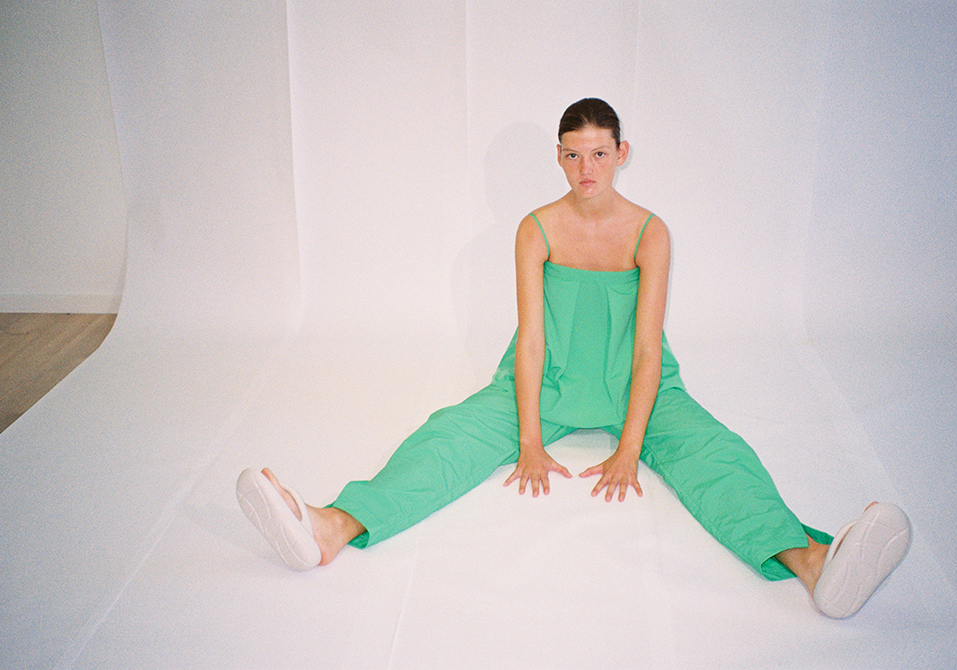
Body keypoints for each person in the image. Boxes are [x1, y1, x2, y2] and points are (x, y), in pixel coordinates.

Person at [237, 98, 910, 619]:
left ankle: (813, 563)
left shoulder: (651, 231)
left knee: (717, 457)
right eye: (572, 155)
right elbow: (531, 341)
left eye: (599, 154)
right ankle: (331, 526)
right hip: (545, 384)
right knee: (448, 437)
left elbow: (647, 348)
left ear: (621, 153)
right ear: (558, 158)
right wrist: (530, 441)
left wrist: (630, 448)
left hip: (639, 387)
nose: (587, 170)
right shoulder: (536, 228)